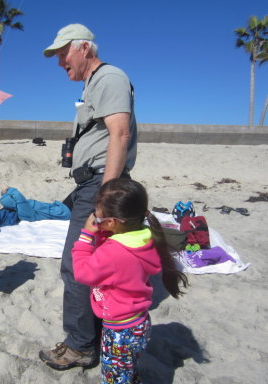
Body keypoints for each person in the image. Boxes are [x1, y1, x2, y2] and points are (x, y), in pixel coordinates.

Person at [39, 23, 138, 370]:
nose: (59, 61)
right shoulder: (94, 84)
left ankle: (80, 345)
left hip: (99, 185)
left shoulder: (109, 78)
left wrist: (104, 198)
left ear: (84, 49)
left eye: (63, 52)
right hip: (90, 184)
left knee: (76, 265)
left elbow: (120, 134)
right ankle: (92, 337)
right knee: (92, 264)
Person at [72, 178, 188, 383]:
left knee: (115, 378)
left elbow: (83, 272)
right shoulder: (145, 236)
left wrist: (85, 236)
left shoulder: (113, 253)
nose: (94, 215)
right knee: (127, 369)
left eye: (97, 211)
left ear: (111, 222)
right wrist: (102, 232)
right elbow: (113, 252)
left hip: (119, 330)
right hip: (138, 322)